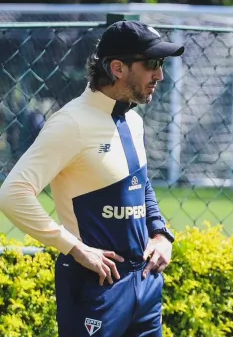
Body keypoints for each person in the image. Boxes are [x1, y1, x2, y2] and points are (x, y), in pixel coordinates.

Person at [0, 20, 185, 337]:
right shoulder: (70, 123)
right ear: (117, 68)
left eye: (162, 64)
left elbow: (139, 184)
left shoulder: (133, 120)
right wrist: (73, 247)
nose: (160, 75)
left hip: (145, 284)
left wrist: (160, 232)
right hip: (95, 287)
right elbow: (12, 193)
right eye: (152, 64)